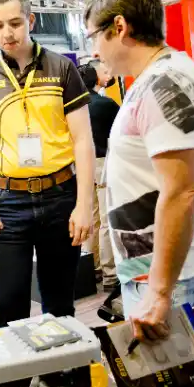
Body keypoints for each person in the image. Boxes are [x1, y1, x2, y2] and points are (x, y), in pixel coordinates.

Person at [85, 0, 194, 387]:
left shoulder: (163, 87)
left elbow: (181, 191)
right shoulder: (163, 76)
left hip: (171, 281)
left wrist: (160, 293)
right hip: (171, 273)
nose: (93, 50)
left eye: (94, 36)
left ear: (120, 27)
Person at [0, 0, 96, 329]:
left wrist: (83, 205)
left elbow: (83, 140)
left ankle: (61, 379)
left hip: (60, 197)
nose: (7, 33)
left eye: (15, 23)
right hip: (7, 204)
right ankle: (11, 383)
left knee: (61, 303)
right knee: (7, 304)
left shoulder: (62, 68)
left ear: (31, 20)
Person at [76, 63, 120, 291]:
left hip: (80, 166)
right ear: (95, 79)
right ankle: (110, 274)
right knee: (105, 220)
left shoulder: (73, 106)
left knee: (90, 217)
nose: (109, 74)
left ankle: (90, 267)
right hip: (103, 164)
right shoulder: (106, 104)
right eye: (104, 72)